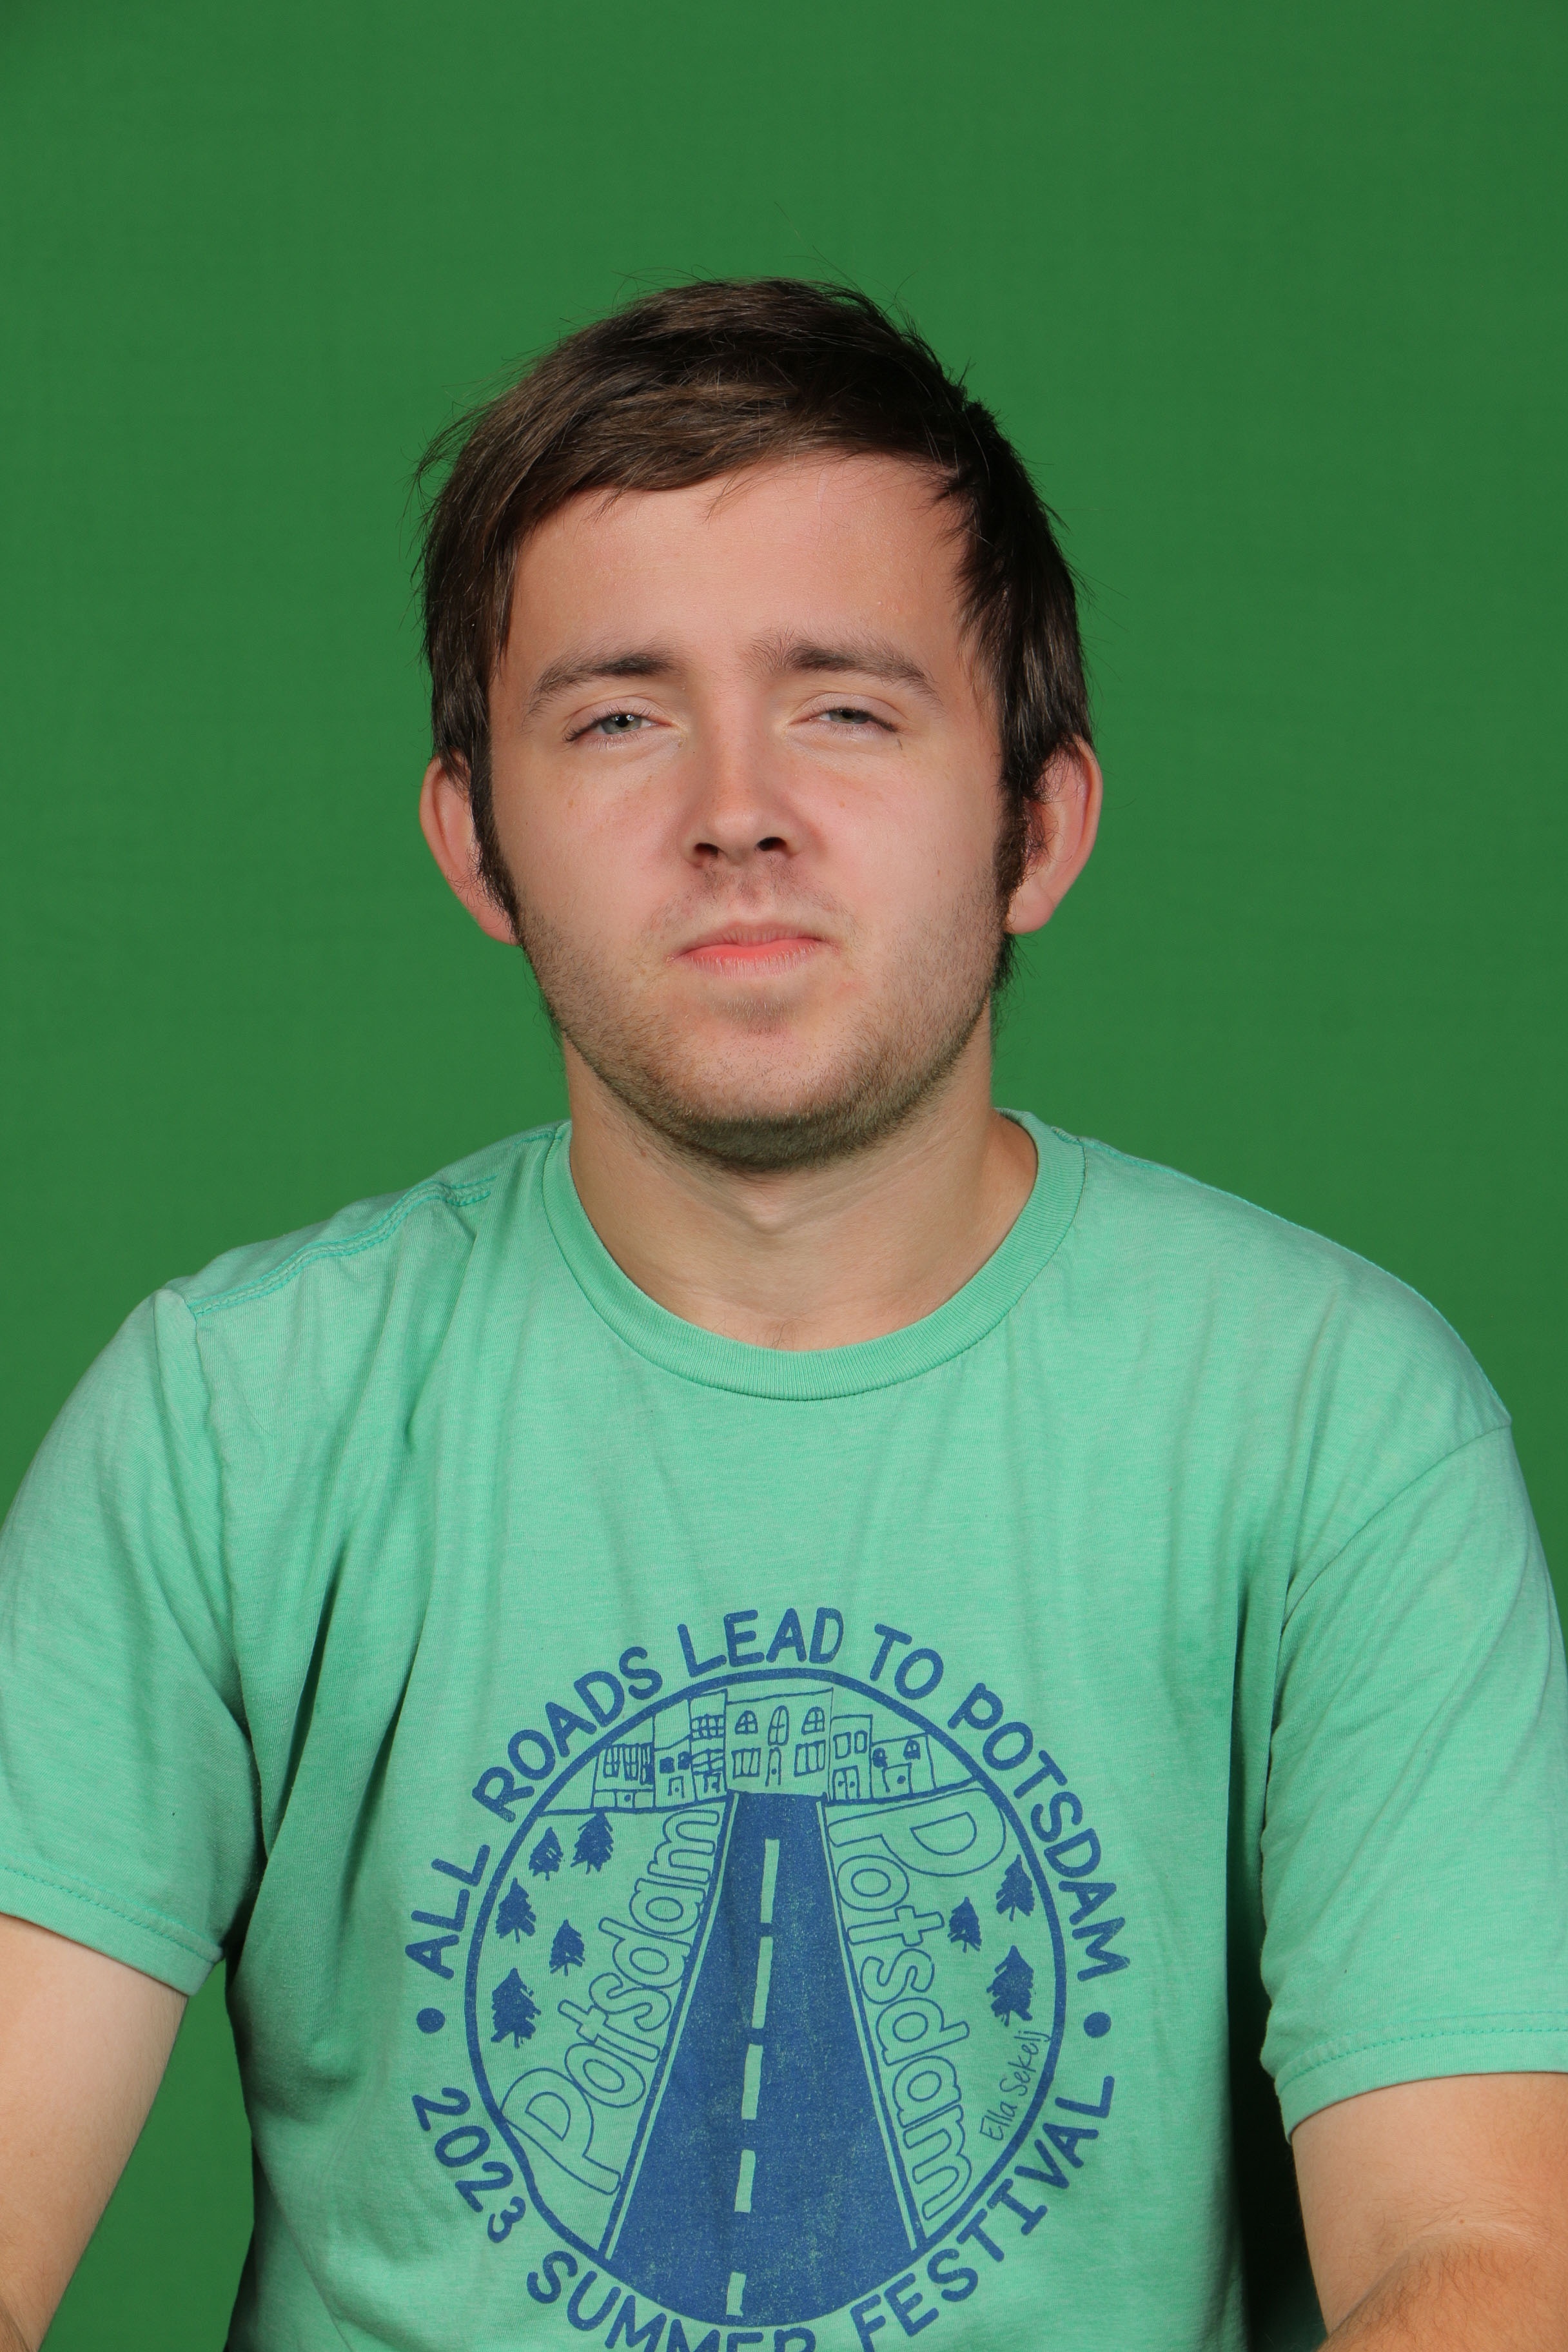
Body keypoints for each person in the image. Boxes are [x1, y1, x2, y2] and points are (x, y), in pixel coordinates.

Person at [0, 279, 1563, 2352]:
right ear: (477, 842)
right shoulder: (228, 1422)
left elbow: (1479, 2257)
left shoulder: (1335, 1420)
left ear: (1038, 825)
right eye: (617, 717)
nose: (736, 809)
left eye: (845, 708)